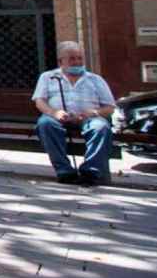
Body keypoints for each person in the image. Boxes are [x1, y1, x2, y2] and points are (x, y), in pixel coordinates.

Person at [32, 41, 115, 186]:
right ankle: (64, 171)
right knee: (45, 123)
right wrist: (54, 112)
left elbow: (110, 107)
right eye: (72, 58)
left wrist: (93, 112)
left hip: (89, 118)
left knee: (101, 127)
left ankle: (91, 172)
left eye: (79, 58)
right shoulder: (48, 77)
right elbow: (40, 101)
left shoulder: (95, 79)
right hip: (57, 117)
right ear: (60, 61)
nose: (77, 62)